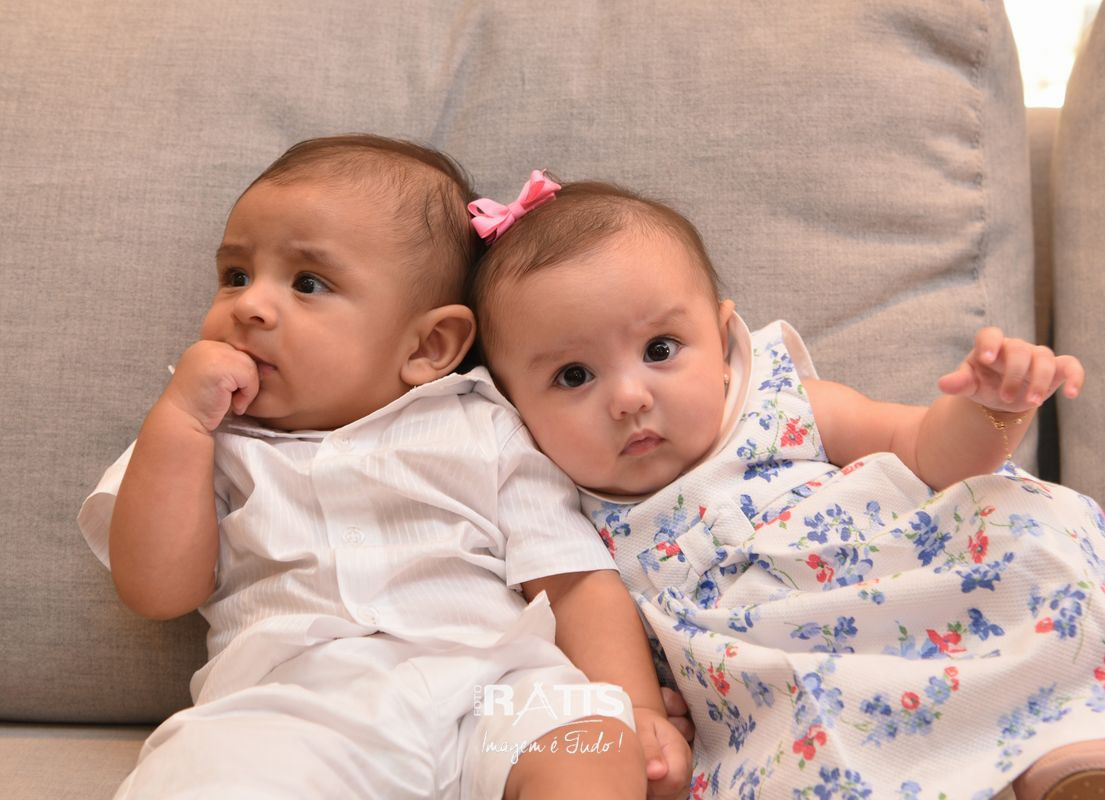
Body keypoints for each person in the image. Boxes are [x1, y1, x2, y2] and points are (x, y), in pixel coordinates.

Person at [77, 138, 692, 800]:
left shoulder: (483, 426)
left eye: (307, 283)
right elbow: (158, 590)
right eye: (235, 275)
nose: (250, 306)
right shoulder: (207, 436)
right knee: (202, 772)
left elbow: (571, 582)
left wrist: (635, 706)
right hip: (292, 707)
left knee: (589, 741)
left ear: (429, 346)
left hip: (496, 686)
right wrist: (181, 422)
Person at [467, 174, 1105, 799]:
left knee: (1022, 526)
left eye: (660, 349)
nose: (630, 397)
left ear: (722, 341)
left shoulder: (778, 401)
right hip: (775, 675)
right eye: (574, 376)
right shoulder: (553, 505)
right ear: (513, 404)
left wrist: (992, 410)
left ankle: (1067, 746)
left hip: (906, 575)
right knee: (809, 732)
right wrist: (640, 714)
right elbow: (587, 614)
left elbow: (928, 454)